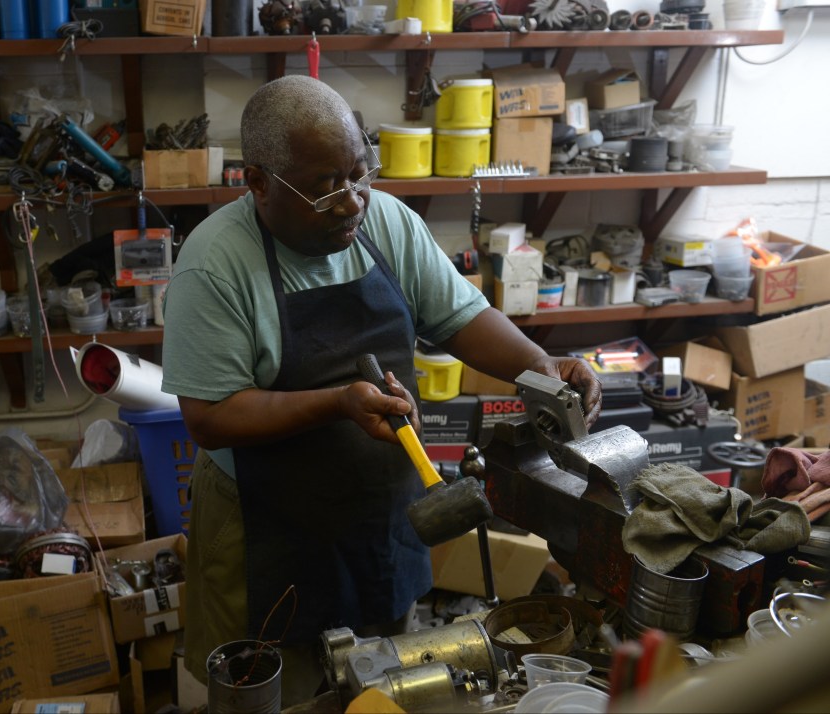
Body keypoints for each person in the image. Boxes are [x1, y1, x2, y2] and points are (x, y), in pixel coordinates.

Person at [160, 75, 602, 704]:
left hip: (380, 516)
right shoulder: (215, 264)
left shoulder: (385, 222)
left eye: (359, 175)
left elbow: (462, 317)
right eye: (322, 189)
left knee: (387, 691)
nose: (350, 203)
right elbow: (209, 416)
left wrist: (542, 366)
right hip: (266, 531)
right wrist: (337, 402)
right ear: (256, 183)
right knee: (280, 698)